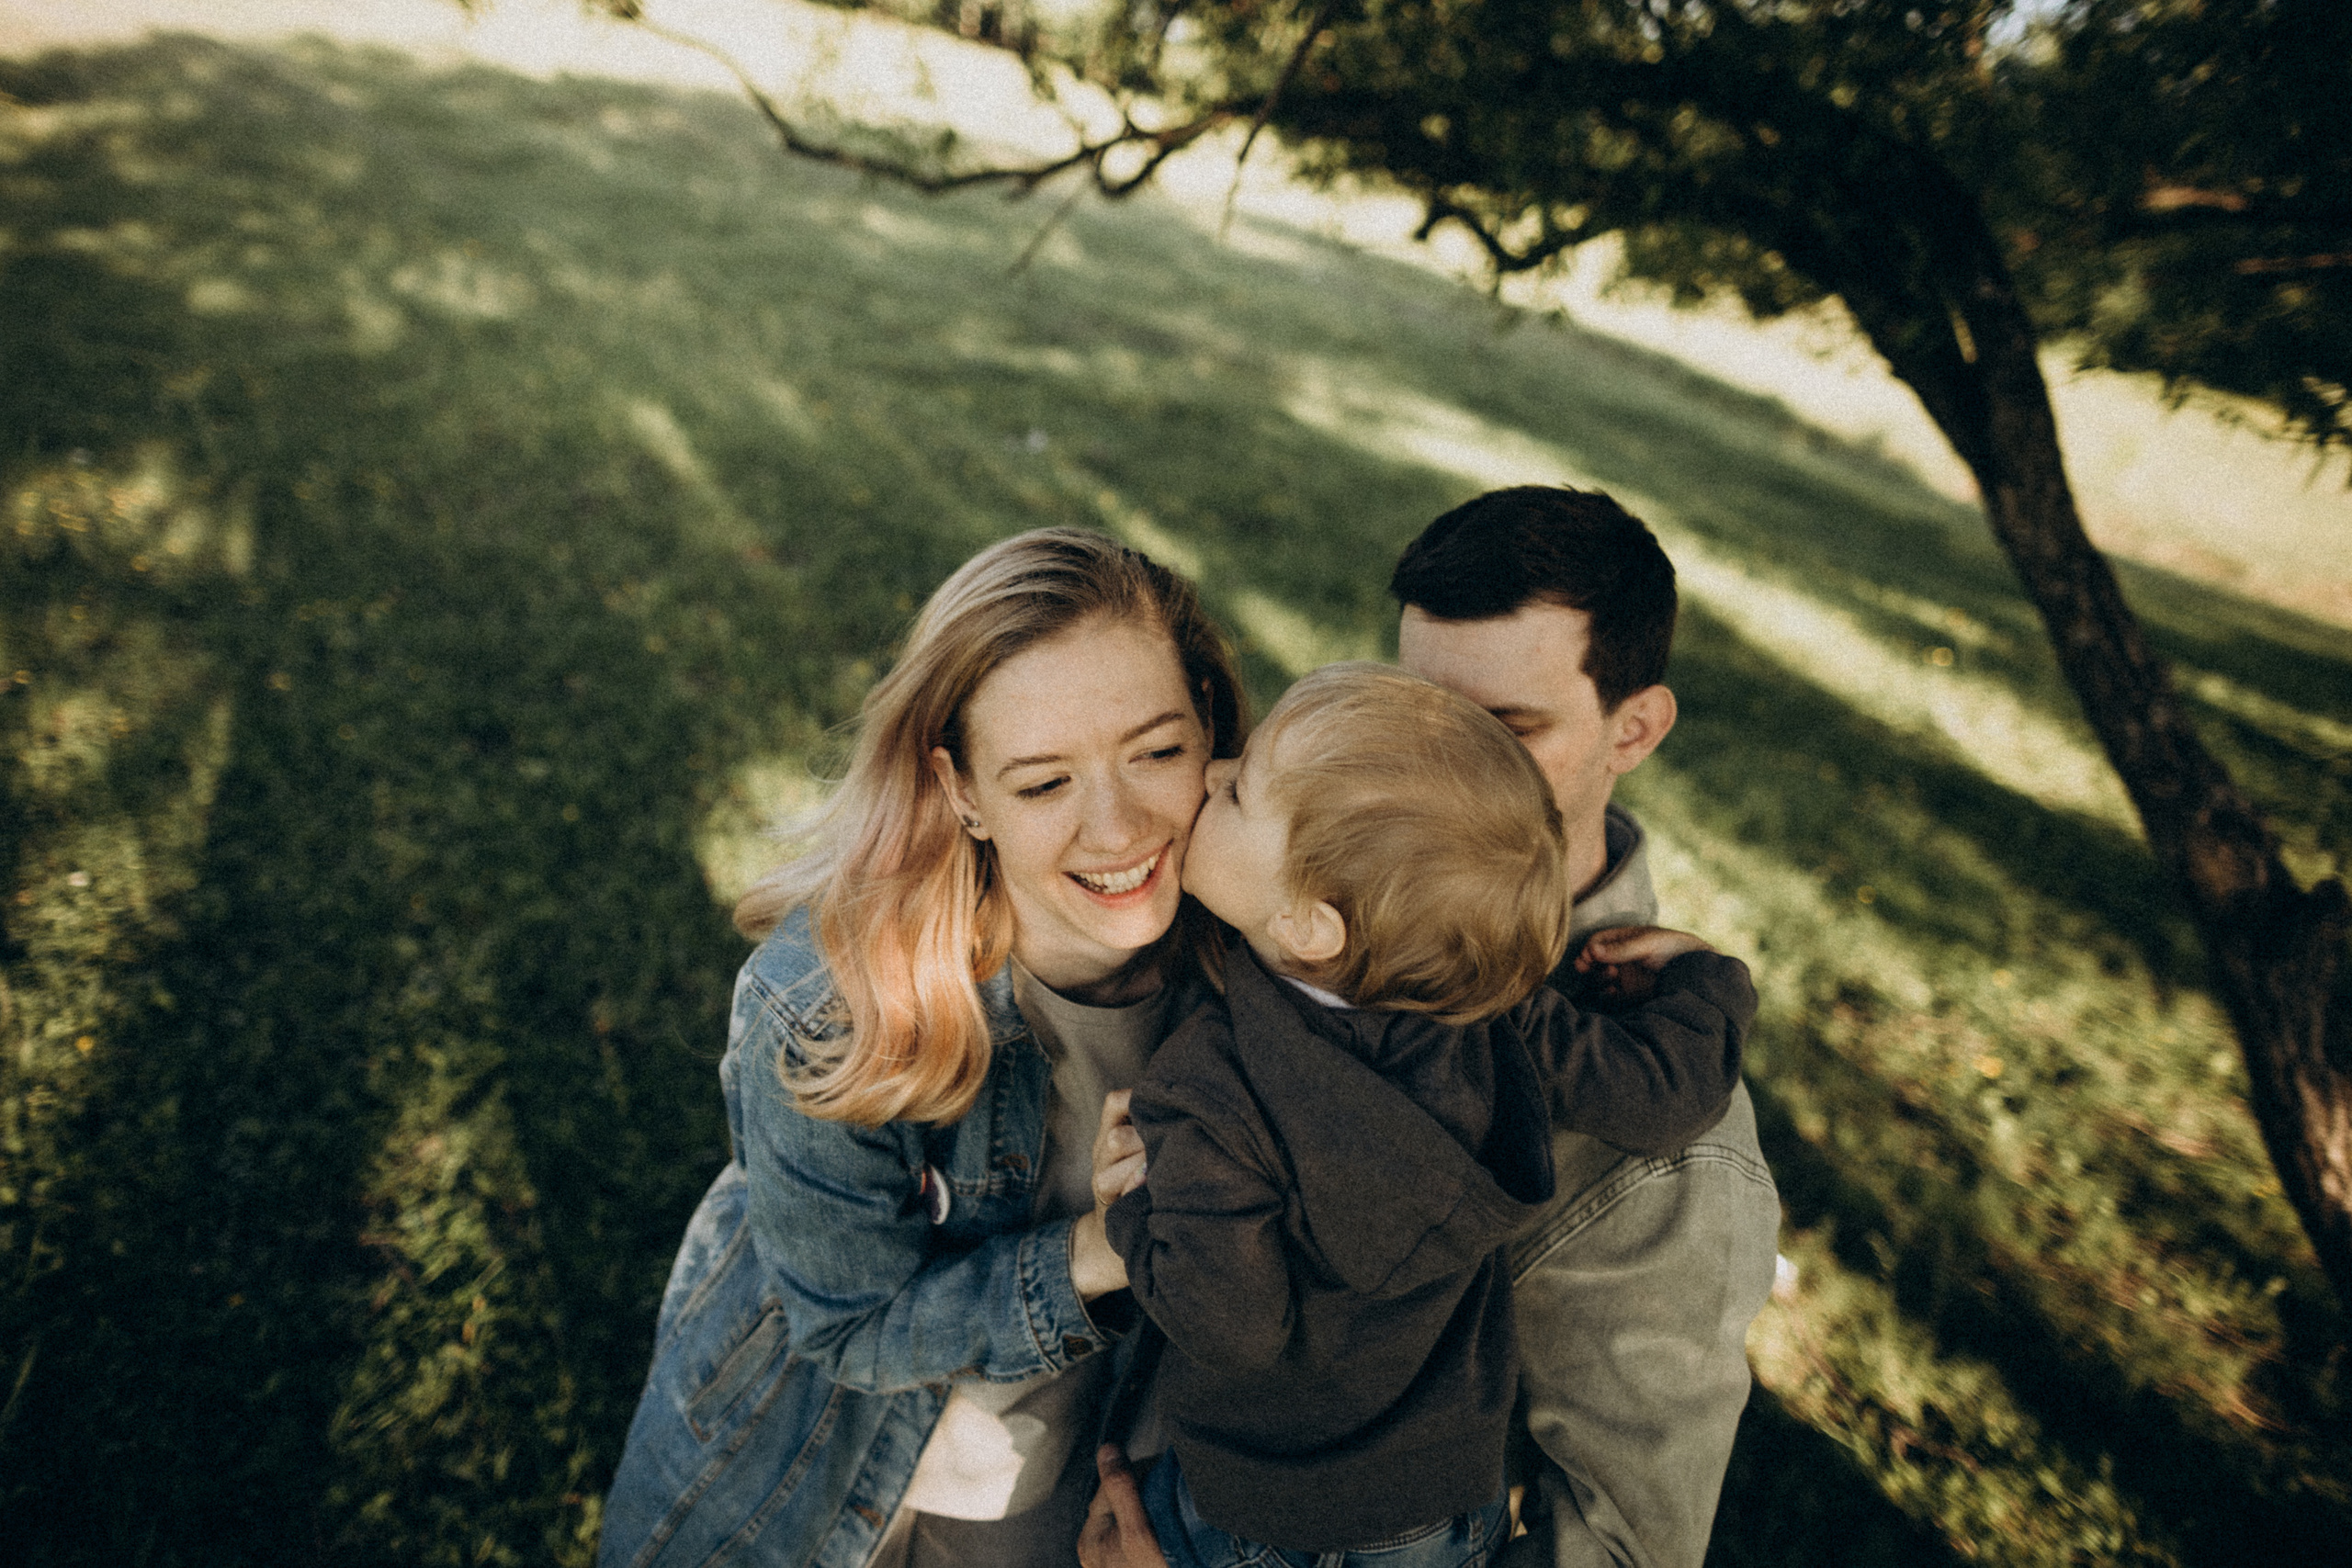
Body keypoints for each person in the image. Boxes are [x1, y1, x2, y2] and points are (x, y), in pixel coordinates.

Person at [1080, 488, 1781, 1568]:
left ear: (1631, 729)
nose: (1436, 768)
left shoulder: (1657, 1141)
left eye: (1504, 730)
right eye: (1413, 710)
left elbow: (1623, 1546)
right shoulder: (1302, 874)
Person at [595, 527, 1247, 1568]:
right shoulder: (832, 1008)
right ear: (961, 792)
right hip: (824, 1484)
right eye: (1043, 785)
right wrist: (1099, 1247)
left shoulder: (1261, 950)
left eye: (1157, 752)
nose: (1118, 827)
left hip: (1089, 1485)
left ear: (1210, 725)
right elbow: (853, 1331)